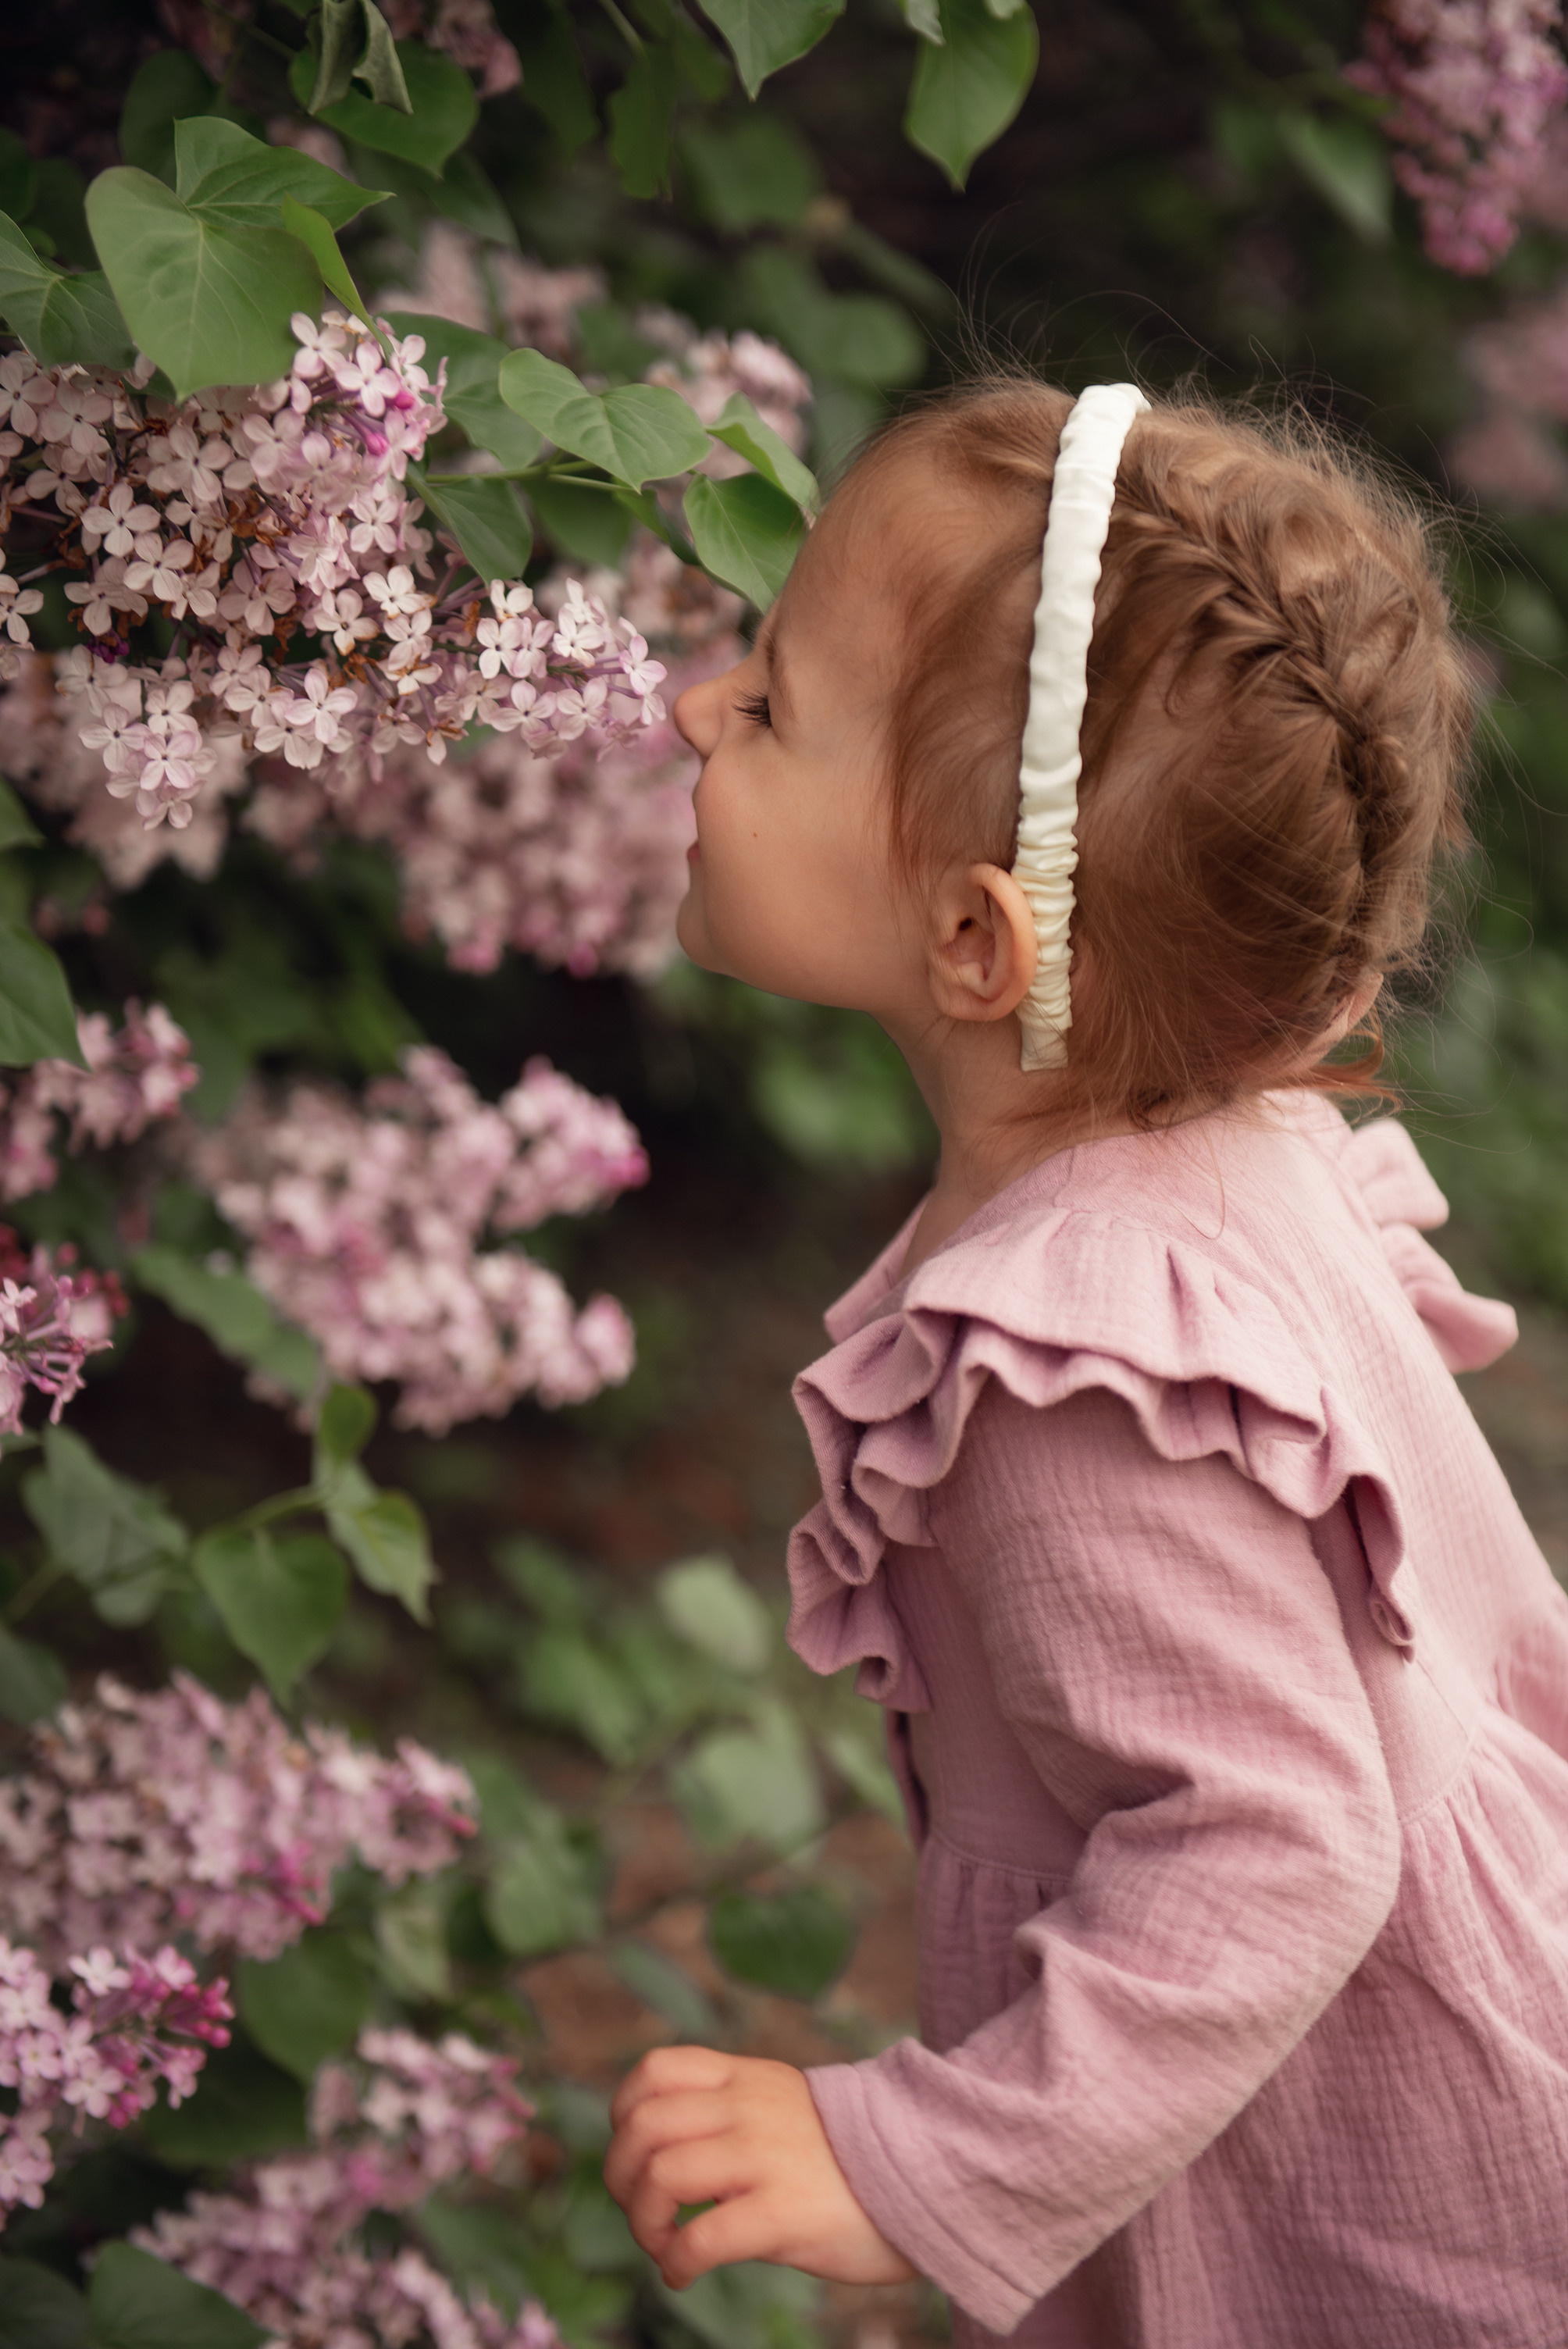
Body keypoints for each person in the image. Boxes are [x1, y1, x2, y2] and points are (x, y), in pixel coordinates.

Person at [601, 380, 1568, 2346]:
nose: (695, 708)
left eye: (770, 701)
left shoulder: (1075, 1386)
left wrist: (919, 2160)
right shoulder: (1216, 1163)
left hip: (1367, 2200)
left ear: (975, 939)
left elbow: (1276, 1850)